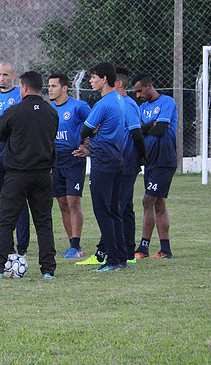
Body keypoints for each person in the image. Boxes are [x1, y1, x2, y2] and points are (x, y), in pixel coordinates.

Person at [0, 71, 58, 280]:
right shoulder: (51, 112)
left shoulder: (13, 111)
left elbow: (0, 134)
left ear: (23, 88)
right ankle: (48, 269)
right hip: (43, 174)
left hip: (17, 174)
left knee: (6, 221)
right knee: (44, 222)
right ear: (40, 88)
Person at [76, 62, 127, 272]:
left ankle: (113, 259)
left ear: (104, 79)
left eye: (94, 77)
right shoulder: (120, 100)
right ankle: (122, 257)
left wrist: (91, 131)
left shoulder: (103, 104)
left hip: (103, 162)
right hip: (117, 160)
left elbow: (84, 130)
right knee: (114, 210)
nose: (90, 81)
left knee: (102, 210)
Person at [0, 62, 30, 256]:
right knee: (0, 202)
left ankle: (23, 245)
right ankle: (6, 243)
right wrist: (2, 119)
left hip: (13, 154)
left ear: (14, 76)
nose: (2, 78)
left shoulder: (19, 96)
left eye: (6, 75)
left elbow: (17, 122)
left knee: (18, 199)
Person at [132, 73, 177, 259]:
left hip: (164, 159)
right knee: (159, 203)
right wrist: (152, 124)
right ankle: (165, 250)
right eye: (135, 92)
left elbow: (159, 131)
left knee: (147, 200)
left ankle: (143, 247)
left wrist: (148, 126)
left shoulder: (167, 102)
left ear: (149, 86)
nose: (138, 95)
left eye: (140, 91)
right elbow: (140, 130)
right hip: (150, 160)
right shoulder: (143, 107)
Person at [48, 72, 91, 259]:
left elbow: (94, 125)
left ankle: (76, 245)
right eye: (48, 86)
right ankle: (72, 245)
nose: (49, 89)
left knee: (73, 201)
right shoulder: (48, 109)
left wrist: (86, 145)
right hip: (55, 160)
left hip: (74, 158)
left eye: (53, 86)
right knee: (62, 203)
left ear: (64, 88)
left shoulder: (79, 106)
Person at [114, 67, 147, 263]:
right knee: (125, 206)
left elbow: (136, 133)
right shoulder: (114, 103)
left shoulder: (128, 104)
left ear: (118, 83)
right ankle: (127, 251)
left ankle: (116, 251)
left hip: (127, 161)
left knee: (117, 205)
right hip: (119, 161)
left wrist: (141, 157)